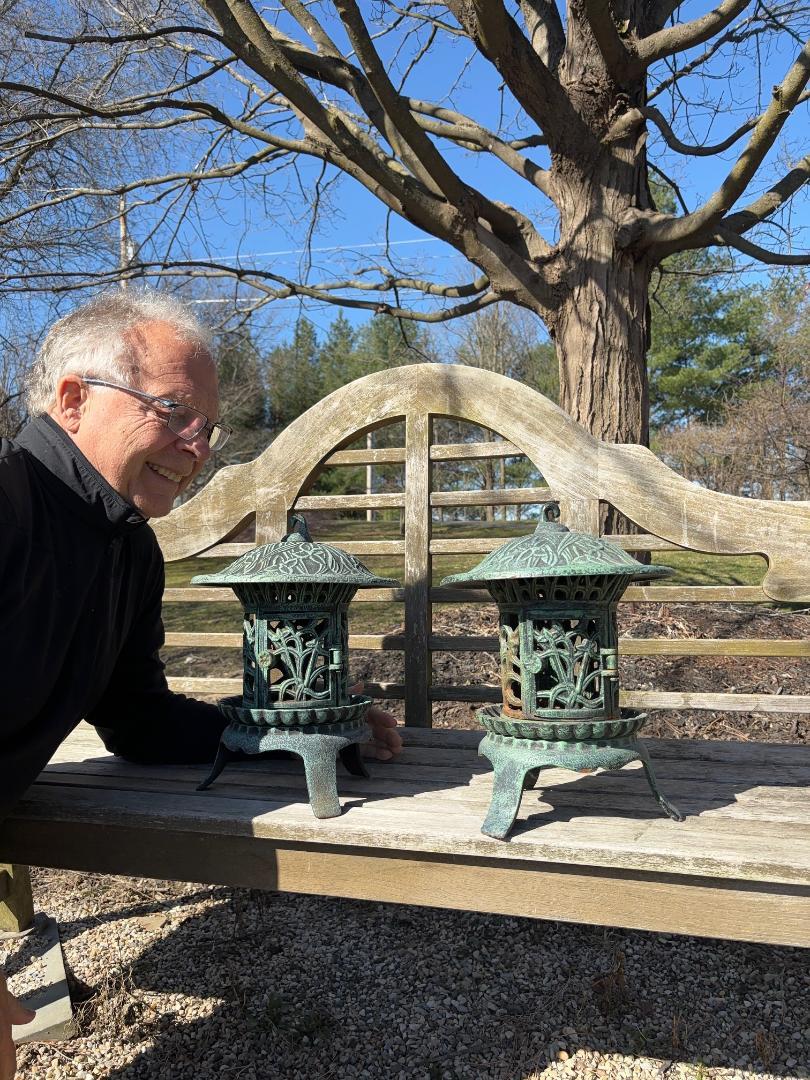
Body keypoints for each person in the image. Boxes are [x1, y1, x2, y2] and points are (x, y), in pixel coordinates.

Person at [0, 291, 402, 1078]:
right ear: (74, 399)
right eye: (175, 409)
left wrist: (299, 732)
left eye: (208, 428)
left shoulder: (129, 554)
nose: (196, 446)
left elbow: (141, 721)